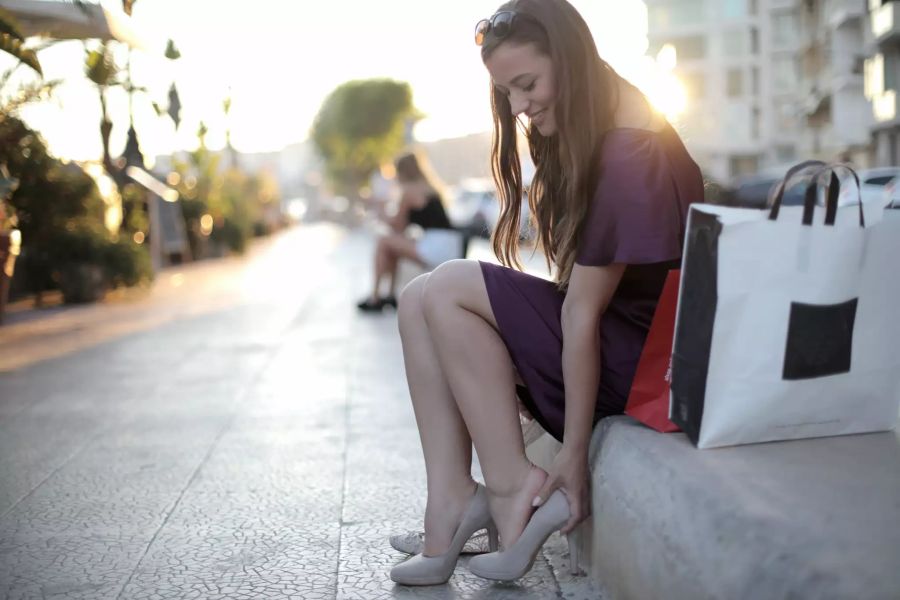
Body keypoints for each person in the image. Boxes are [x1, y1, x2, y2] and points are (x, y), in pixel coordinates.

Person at [388, 0, 704, 586]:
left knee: (452, 285)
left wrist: (572, 454)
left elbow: (582, 314)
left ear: (571, 60)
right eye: (506, 92)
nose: (518, 107)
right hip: (624, 342)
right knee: (416, 296)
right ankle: (454, 498)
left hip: (643, 363)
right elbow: (580, 296)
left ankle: (512, 488)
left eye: (527, 84)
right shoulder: (605, 116)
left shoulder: (631, 149)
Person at [357, 152, 462, 312]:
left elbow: (397, 227)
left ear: (402, 171)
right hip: (449, 244)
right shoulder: (428, 187)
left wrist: (378, 208)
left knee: (383, 241)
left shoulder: (409, 191)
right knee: (391, 246)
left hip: (437, 247)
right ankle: (389, 296)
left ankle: (376, 297)